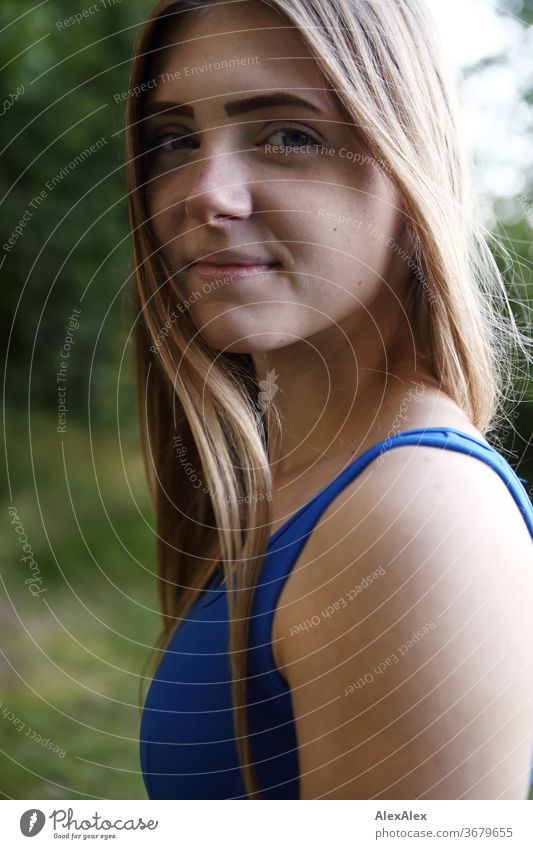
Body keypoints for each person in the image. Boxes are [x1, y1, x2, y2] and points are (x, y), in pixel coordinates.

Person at [125, 0, 533, 799]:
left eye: (288, 134)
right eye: (174, 140)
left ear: (405, 163)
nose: (206, 194)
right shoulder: (302, 483)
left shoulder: (415, 514)